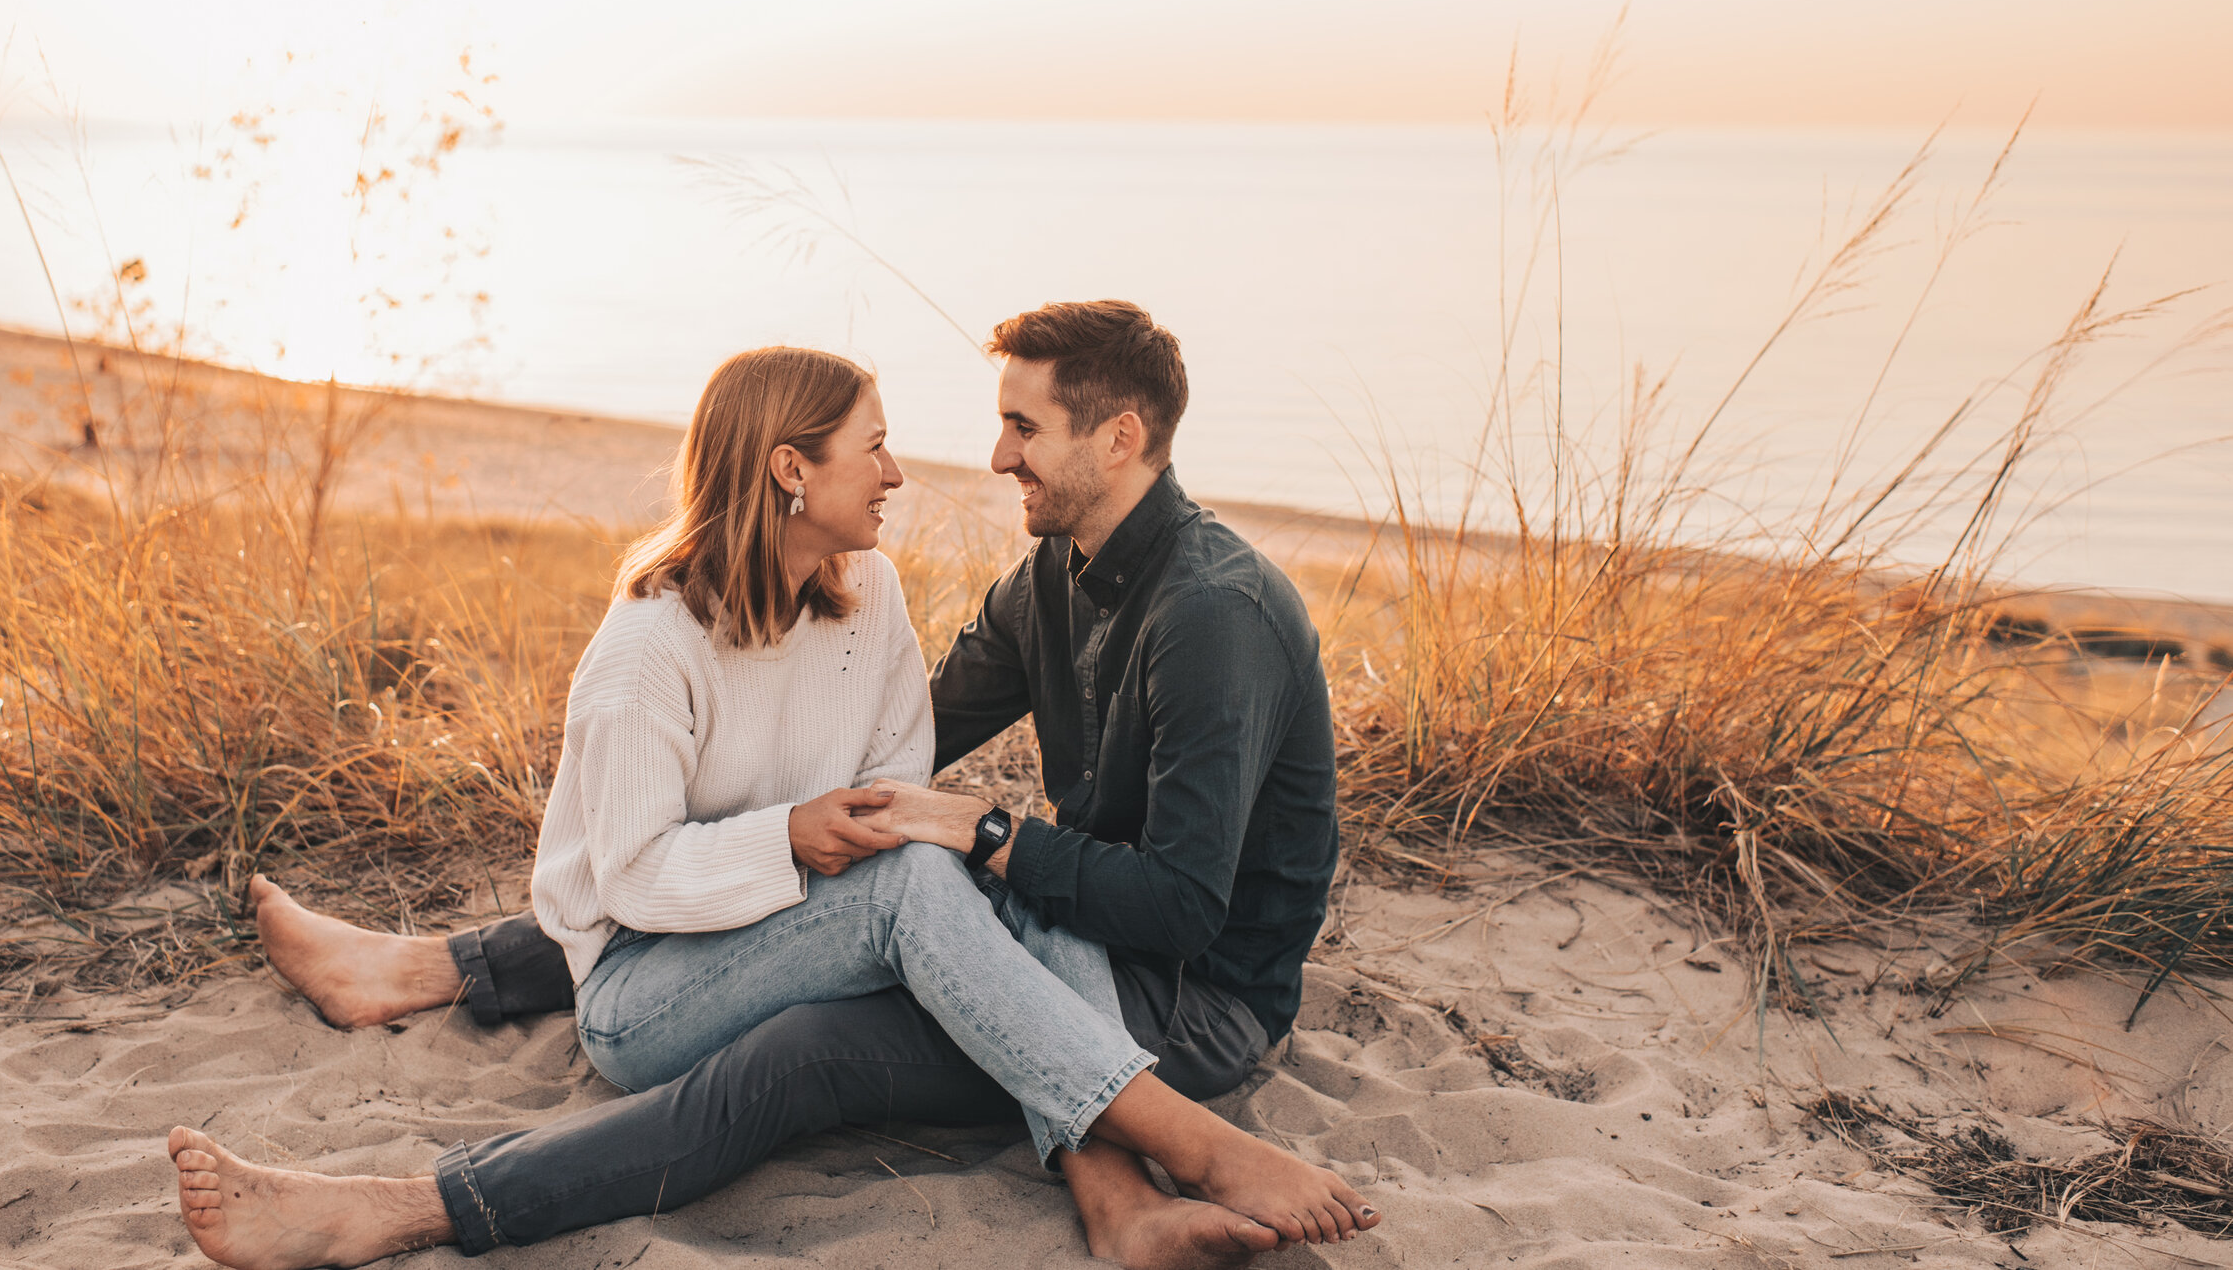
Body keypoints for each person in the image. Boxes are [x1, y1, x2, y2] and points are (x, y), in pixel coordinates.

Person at [170, 319, 1376, 1270]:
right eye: (882, 446)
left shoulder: (1202, 613)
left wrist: (966, 831)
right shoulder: (1036, 584)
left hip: (1182, 987)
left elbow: (1126, 888)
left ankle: (1120, 1195)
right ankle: (1165, 1163)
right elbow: (833, 814)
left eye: (1019, 425)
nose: (977, 457)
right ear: (789, 470)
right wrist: (842, 831)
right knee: (923, 877)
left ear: (1115, 438)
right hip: (671, 967)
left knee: (900, 932)